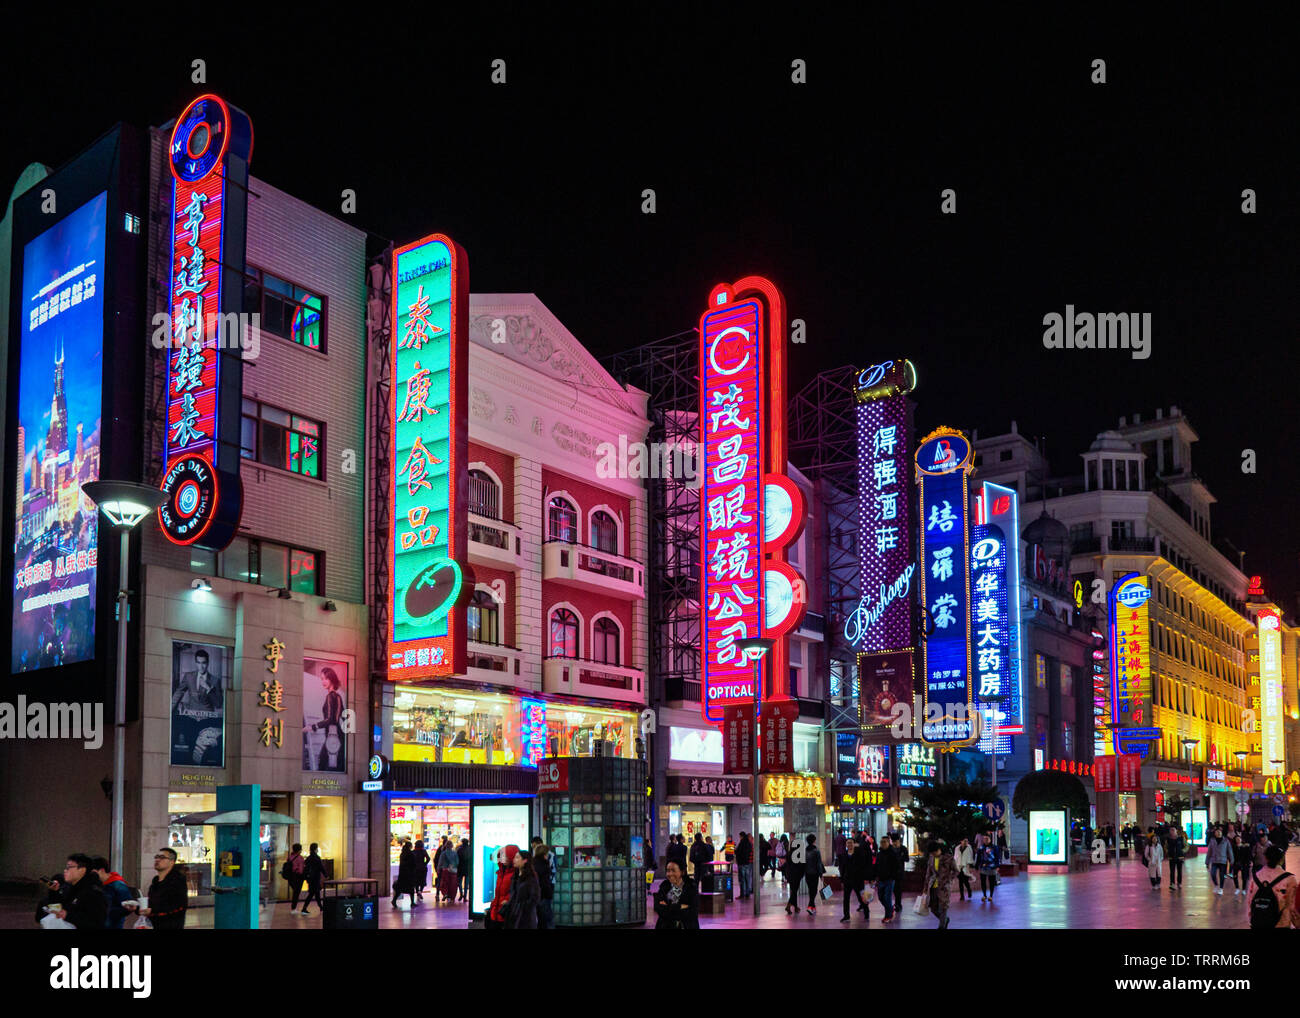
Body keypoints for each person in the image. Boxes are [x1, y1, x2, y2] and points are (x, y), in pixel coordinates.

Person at [37, 853, 107, 930]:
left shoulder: (93, 892)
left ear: (82, 870)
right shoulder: (70, 888)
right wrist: (55, 891)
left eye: (69, 867)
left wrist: (67, 915)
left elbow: (96, 922)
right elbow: (61, 905)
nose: (65, 870)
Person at [125, 847, 188, 929]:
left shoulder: (177, 881)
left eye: (162, 857)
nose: (157, 860)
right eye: (156, 857)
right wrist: (137, 908)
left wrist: (153, 911)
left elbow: (179, 907)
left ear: (172, 862)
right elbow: (151, 904)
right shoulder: (155, 881)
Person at [1250, 843, 1295, 929]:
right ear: (1282, 860)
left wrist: (1251, 919)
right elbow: (1292, 905)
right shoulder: (1290, 878)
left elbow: (1250, 901)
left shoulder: (1256, 876)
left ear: (1266, 858)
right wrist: (1297, 923)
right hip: (1281, 923)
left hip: (1258, 922)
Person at [654, 859, 700, 929]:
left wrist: (668, 907)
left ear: (682, 872)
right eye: (668, 871)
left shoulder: (691, 887)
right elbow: (659, 909)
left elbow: (693, 912)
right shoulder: (664, 886)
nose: (670, 874)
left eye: (673, 870)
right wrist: (679, 907)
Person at [91, 857, 134, 930]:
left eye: (93, 872)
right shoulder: (97, 885)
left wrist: (107, 912)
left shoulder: (118, 885)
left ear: (101, 870)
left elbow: (128, 907)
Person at [922, 840, 957, 929]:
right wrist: (925, 887)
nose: (933, 854)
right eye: (932, 853)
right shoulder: (931, 858)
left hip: (944, 886)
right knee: (933, 907)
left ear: (939, 849)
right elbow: (928, 873)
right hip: (933, 885)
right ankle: (945, 919)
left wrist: (949, 879)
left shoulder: (948, 858)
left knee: (943, 907)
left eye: (935, 852)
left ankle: (941, 926)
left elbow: (956, 871)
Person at [505, 850, 540, 929]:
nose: (514, 860)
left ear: (525, 860)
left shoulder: (531, 878)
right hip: (513, 914)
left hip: (525, 917)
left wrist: (523, 907)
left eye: (517, 857)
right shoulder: (515, 876)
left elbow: (535, 898)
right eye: (514, 857)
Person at [487, 844, 520, 929]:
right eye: (502, 855)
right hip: (496, 912)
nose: (503, 858)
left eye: (506, 855)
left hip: (507, 913)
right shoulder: (501, 872)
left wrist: (508, 902)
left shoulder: (516, 874)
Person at [836, 837, 866, 922]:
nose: (849, 844)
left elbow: (863, 866)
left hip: (857, 879)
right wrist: (842, 879)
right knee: (846, 899)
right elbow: (842, 868)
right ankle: (846, 915)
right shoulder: (844, 854)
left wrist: (863, 877)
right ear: (846, 844)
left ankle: (866, 912)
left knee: (860, 897)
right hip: (847, 879)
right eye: (848, 843)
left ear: (854, 844)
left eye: (851, 843)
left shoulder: (859, 853)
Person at [875, 829, 900, 923]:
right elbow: (876, 866)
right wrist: (875, 877)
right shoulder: (879, 853)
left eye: (885, 842)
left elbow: (897, 866)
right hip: (880, 879)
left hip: (889, 879)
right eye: (881, 842)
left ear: (888, 842)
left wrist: (893, 876)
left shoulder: (892, 853)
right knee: (881, 897)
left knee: (887, 898)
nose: (883, 843)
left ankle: (888, 915)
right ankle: (890, 909)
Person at [532, 840, 555, 929]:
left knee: (538, 918)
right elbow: (545, 883)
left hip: (535, 895)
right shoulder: (544, 865)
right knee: (547, 918)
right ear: (544, 854)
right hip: (543, 895)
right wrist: (549, 894)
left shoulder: (532, 863)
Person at [1204, 826, 1232, 894]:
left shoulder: (1226, 841)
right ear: (1215, 833)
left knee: (1221, 875)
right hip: (1214, 860)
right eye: (1217, 832)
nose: (1218, 833)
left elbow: (1229, 850)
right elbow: (1209, 852)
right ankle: (1216, 885)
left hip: (1223, 860)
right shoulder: (1212, 841)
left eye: (1220, 832)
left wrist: (1231, 859)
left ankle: (1221, 888)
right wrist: (1207, 862)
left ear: (1222, 833)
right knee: (1213, 873)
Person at [803, 834, 825, 915]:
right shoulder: (816, 851)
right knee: (814, 890)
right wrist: (821, 874)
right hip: (815, 873)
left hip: (807, 873)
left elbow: (803, 863)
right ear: (814, 841)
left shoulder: (804, 851)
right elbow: (819, 864)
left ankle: (813, 907)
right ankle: (810, 906)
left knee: (810, 890)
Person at [300, 843, 325, 915]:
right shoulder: (317, 858)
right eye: (317, 848)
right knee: (312, 894)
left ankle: (320, 907)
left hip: (310, 878)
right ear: (315, 849)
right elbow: (321, 867)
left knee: (315, 893)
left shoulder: (308, 858)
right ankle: (304, 908)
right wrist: (325, 875)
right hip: (315, 878)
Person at [783, 835, 805, 914]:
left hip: (789, 874)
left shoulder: (789, 853)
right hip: (797, 875)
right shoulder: (799, 854)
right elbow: (802, 865)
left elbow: (787, 864)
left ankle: (795, 907)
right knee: (795, 891)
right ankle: (788, 906)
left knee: (794, 891)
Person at [976, 834, 999, 902]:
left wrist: (997, 866)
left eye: (987, 838)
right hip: (983, 867)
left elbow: (997, 857)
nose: (985, 840)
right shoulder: (981, 847)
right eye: (984, 838)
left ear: (990, 839)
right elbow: (978, 857)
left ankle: (991, 895)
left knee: (991, 882)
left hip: (992, 867)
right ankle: (984, 895)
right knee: (983, 882)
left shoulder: (994, 847)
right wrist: (977, 865)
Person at [283, 843, 307, 910]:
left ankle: (294, 907)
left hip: (290, 877)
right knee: (296, 892)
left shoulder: (290, 857)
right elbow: (301, 870)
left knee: (295, 891)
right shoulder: (300, 858)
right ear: (299, 850)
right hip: (298, 877)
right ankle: (293, 907)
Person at [436, 838, 460, 903]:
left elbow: (440, 862)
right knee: (453, 884)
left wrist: (438, 868)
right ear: (452, 846)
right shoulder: (455, 853)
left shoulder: (443, 853)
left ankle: (445, 894)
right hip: (453, 871)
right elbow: (457, 862)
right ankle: (452, 897)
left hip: (445, 870)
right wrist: (454, 865)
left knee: (445, 883)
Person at [393, 841, 414, 908]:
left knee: (400, 889)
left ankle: (394, 900)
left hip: (402, 874)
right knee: (411, 889)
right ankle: (412, 902)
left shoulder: (402, 854)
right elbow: (413, 864)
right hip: (409, 874)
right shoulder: (411, 854)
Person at [954, 837, 975, 901]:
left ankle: (969, 890)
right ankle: (962, 896)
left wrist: (968, 866)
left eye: (967, 841)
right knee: (960, 882)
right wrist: (956, 866)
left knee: (965, 881)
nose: (966, 842)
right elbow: (955, 857)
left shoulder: (969, 848)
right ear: (961, 841)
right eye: (964, 841)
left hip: (965, 867)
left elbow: (970, 857)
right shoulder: (957, 848)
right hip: (959, 868)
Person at [1165, 825, 1185, 890]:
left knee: (1179, 871)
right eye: (1171, 830)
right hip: (1172, 857)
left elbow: (1186, 845)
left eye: (1173, 830)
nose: (1172, 831)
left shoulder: (1181, 838)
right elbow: (1165, 847)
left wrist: (1182, 851)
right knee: (1172, 871)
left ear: (1176, 831)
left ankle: (1179, 883)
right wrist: (1168, 851)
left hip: (1179, 857)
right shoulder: (1168, 839)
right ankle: (1172, 883)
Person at [735, 831, 754, 899]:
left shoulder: (742, 843)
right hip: (747, 863)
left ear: (741, 836)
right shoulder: (749, 843)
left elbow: (738, 852)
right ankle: (747, 893)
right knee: (747, 878)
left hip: (742, 863)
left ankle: (742, 894)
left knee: (742, 879)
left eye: (740, 836)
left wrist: (735, 851)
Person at [457, 838, 471, 902]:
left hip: (460, 867)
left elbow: (457, 859)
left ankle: (461, 894)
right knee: (466, 883)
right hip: (467, 868)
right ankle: (465, 896)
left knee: (459, 882)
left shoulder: (459, 849)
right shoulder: (470, 849)